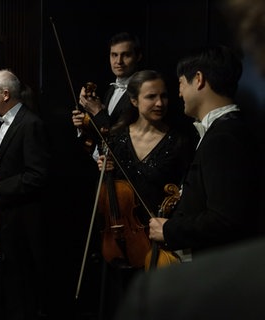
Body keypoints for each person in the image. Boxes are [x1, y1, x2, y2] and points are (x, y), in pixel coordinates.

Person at [94, 69, 196, 319]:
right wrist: (104, 171)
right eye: (151, 97)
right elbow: (108, 195)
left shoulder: (180, 142)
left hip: (159, 241)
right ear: (134, 101)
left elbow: (188, 190)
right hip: (119, 238)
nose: (160, 103)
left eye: (164, 96)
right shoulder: (116, 139)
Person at [147, 45, 263, 255]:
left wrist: (169, 230)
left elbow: (225, 219)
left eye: (181, 83)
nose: (179, 93)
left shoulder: (224, 137)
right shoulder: (226, 130)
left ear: (198, 79)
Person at [0, 69, 50, 320]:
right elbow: (7, 165)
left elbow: (37, 176)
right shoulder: (3, 122)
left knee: (18, 291)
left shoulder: (31, 123)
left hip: (18, 222)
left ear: (5, 94)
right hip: (0, 219)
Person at [72, 31, 143, 155]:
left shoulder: (142, 91)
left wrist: (97, 112)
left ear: (138, 57)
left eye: (125, 55)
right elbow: (103, 131)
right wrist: (84, 124)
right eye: (114, 55)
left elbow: (120, 137)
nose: (118, 61)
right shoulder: (111, 90)